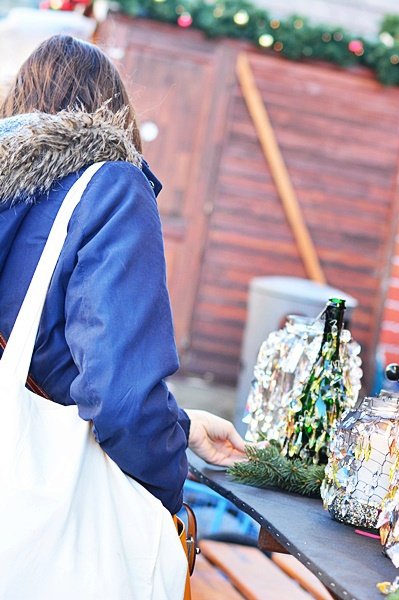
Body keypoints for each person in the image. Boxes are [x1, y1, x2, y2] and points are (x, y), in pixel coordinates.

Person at [0, 34, 246, 517]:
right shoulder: (110, 186)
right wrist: (163, 502)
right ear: (112, 113)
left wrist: (180, 425)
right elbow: (121, 398)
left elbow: (53, 364)